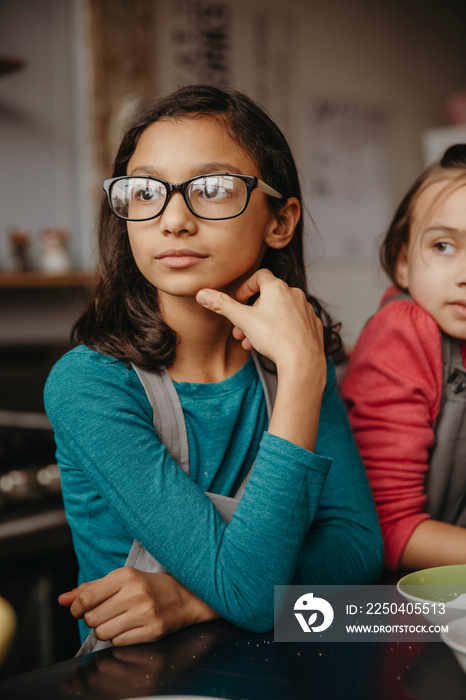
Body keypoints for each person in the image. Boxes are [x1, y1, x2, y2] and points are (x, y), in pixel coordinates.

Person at [44, 84, 382, 648]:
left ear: (281, 220)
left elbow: (358, 545)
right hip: (140, 679)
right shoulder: (89, 385)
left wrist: (188, 599)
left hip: (278, 666)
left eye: (215, 188)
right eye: (146, 191)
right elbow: (251, 597)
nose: (172, 220)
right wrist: (232, 591)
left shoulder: (293, 360)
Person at [342, 144, 466, 572]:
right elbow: (388, 527)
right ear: (403, 264)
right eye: (444, 246)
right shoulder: (405, 331)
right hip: (401, 603)